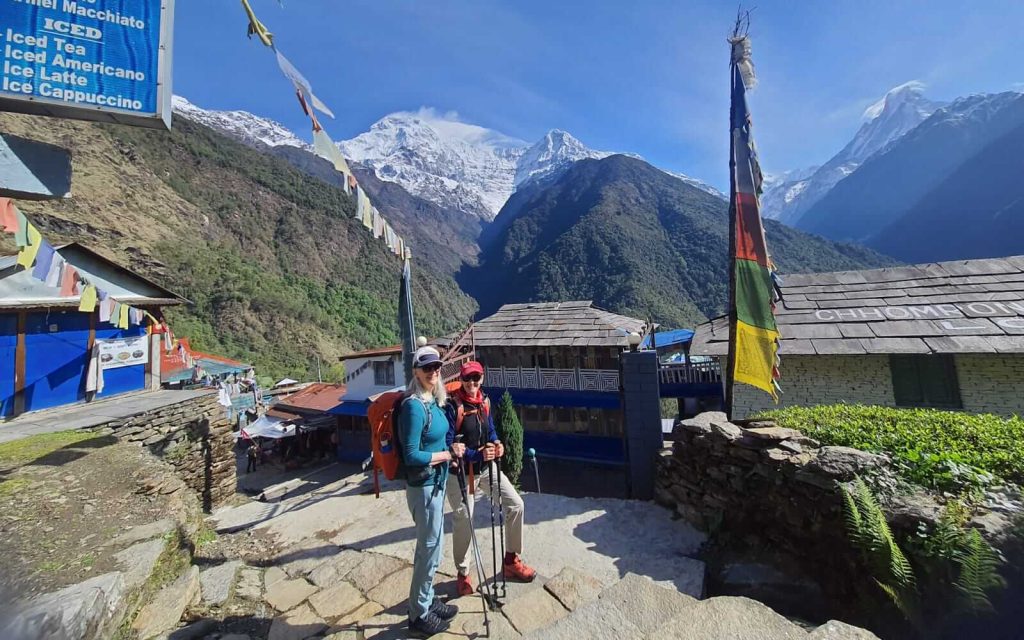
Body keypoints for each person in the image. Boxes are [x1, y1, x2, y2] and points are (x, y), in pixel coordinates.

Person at [445, 360, 536, 597]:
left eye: (476, 379)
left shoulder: (484, 402)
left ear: (482, 379)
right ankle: (463, 573)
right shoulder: (452, 408)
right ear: (462, 380)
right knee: (465, 519)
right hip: (462, 475)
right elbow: (449, 444)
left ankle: (511, 560)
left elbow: (491, 429)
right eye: (467, 379)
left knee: (516, 505)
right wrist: (477, 454)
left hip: (486, 469)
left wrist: (497, 443)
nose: (472, 383)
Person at [401, 346, 461, 636]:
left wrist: (449, 450)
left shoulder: (432, 401)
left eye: (437, 366)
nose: (433, 371)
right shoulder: (413, 406)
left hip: (435, 485)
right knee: (427, 550)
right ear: (416, 371)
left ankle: (426, 598)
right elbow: (411, 454)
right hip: (423, 487)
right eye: (427, 368)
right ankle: (418, 614)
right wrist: (445, 456)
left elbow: (436, 441)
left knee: (434, 549)